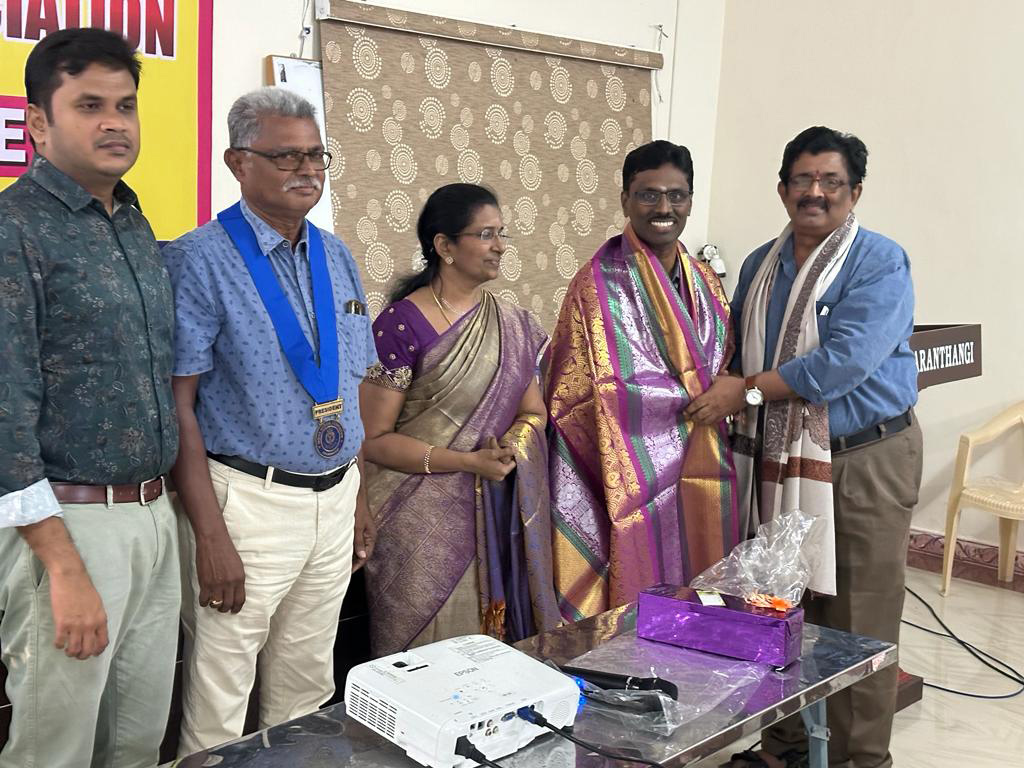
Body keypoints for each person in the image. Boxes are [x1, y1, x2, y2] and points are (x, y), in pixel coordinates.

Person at [689, 126, 922, 768]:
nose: (815, 192)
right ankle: (783, 746)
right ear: (783, 188)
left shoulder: (879, 261)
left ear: (855, 192)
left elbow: (842, 362)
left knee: (858, 615)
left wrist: (748, 392)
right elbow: (733, 350)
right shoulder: (762, 266)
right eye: (803, 179)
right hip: (775, 459)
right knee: (776, 602)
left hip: (864, 457)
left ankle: (858, 759)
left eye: (831, 181)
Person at [164, 87, 377, 755]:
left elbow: (348, 386)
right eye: (287, 156)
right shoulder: (198, 259)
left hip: (334, 498)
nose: (307, 169)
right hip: (247, 504)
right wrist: (210, 535)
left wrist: (357, 495)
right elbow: (178, 405)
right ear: (238, 162)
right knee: (221, 693)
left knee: (307, 687)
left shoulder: (336, 255)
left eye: (316, 155)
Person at [0, 29, 179, 768]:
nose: (114, 122)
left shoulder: (132, 222)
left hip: (153, 515)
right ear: (38, 124)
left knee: (136, 741)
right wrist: (63, 567)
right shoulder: (14, 229)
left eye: (125, 105)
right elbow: (4, 411)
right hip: (65, 526)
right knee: (56, 747)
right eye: (89, 106)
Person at [360, 183, 561, 656]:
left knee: (483, 661)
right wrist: (468, 462)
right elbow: (373, 440)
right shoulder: (400, 325)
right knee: (419, 663)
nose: (500, 246)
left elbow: (533, 413)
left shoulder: (514, 324)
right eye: (485, 234)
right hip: (413, 522)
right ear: (444, 245)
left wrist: (512, 448)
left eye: (502, 233)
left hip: (491, 513)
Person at [545, 140, 740, 621]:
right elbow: (576, 394)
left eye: (677, 195)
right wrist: (677, 404)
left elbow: (723, 361)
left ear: (690, 201)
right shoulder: (595, 285)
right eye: (649, 195)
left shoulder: (705, 281)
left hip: (703, 457)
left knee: (704, 594)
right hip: (627, 470)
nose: (663, 208)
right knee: (637, 605)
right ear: (625, 200)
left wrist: (721, 393)